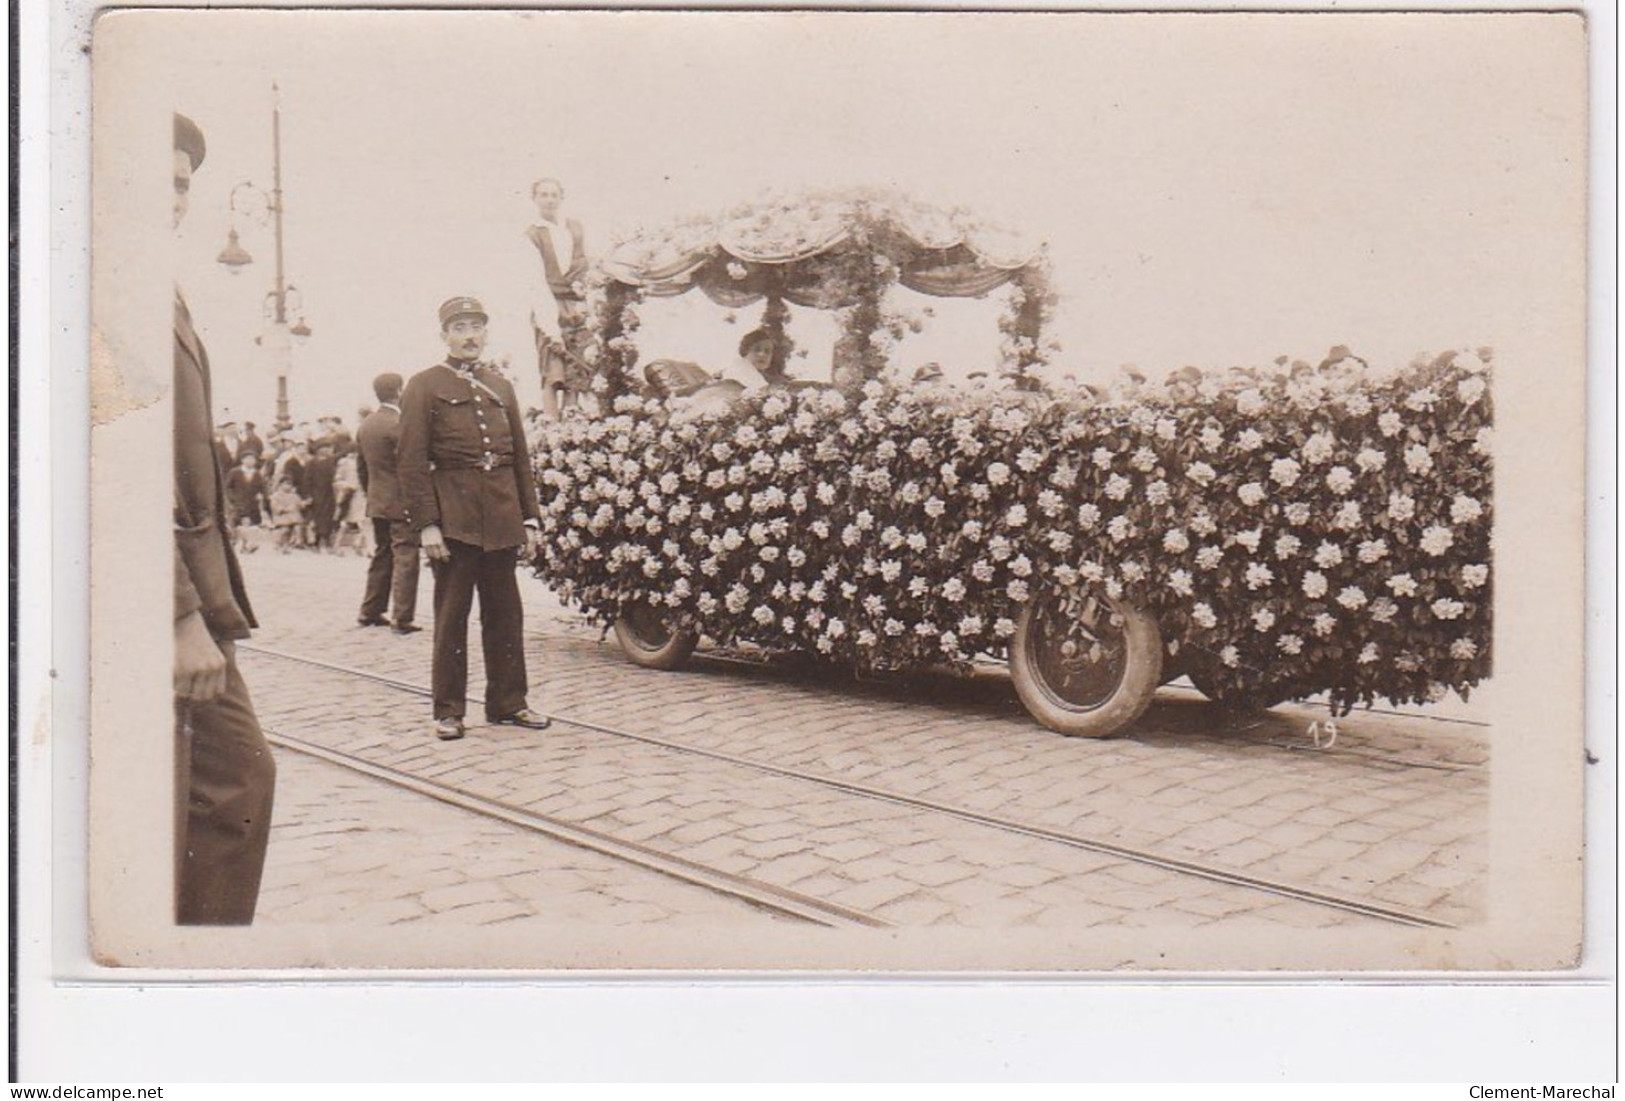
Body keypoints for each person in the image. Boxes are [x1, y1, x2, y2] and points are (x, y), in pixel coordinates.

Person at [171, 111, 275, 925]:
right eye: (158, 180)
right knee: (234, 778)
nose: (172, 199)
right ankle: (195, 970)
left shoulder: (149, 284)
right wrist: (177, 614)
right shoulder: (95, 287)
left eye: (182, 185)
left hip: (182, 591)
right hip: (155, 598)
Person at [398, 297, 552, 741]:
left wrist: (530, 519)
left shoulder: (500, 386)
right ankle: (448, 710)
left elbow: (519, 457)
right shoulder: (424, 385)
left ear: (486, 334)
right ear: (444, 335)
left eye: (477, 327)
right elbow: (411, 461)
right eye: (460, 327)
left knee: (506, 616)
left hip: (501, 517)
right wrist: (426, 523)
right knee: (452, 617)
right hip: (455, 522)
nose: (470, 336)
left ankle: (509, 703)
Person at [355, 371, 421, 633]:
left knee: (382, 555)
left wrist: (372, 494)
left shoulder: (366, 425)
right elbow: (410, 466)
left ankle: (370, 611)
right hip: (401, 501)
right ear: (398, 391)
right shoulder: (400, 423)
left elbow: (362, 469)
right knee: (406, 556)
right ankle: (402, 618)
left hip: (378, 501)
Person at [523, 177, 591, 421]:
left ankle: (573, 425)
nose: (549, 200)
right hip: (549, 306)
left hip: (577, 305)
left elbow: (584, 265)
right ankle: (552, 426)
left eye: (553, 195)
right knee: (553, 369)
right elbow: (537, 284)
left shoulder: (574, 228)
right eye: (543, 194)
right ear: (535, 199)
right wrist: (552, 330)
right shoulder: (532, 234)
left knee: (577, 369)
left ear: (562, 198)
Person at [224, 451, 269, 554]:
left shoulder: (257, 474)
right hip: (237, 502)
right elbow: (227, 487)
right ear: (242, 460)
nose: (250, 461)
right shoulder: (235, 472)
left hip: (252, 503)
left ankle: (246, 545)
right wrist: (232, 498)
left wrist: (262, 496)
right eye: (247, 458)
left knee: (250, 525)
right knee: (236, 524)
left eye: (252, 459)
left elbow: (262, 488)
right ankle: (234, 543)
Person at [715, 328, 777, 393]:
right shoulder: (742, 371)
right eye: (757, 349)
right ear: (745, 351)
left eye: (767, 351)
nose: (762, 354)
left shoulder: (737, 368)